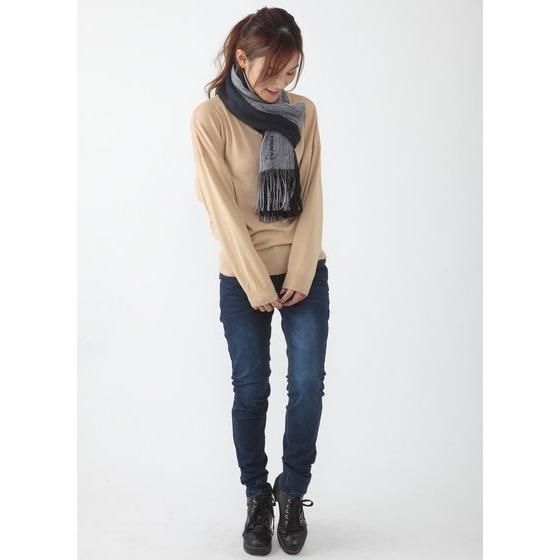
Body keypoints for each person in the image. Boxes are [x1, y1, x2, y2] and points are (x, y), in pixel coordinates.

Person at [190, 7, 330, 556]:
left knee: (308, 385)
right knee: (251, 390)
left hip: (303, 272)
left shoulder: (304, 112)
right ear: (241, 59)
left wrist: (300, 271)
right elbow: (220, 208)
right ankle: (256, 497)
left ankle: (291, 493)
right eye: (272, 72)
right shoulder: (211, 119)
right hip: (243, 276)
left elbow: (314, 192)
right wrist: (255, 282)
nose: (281, 84)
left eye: (290, 72)